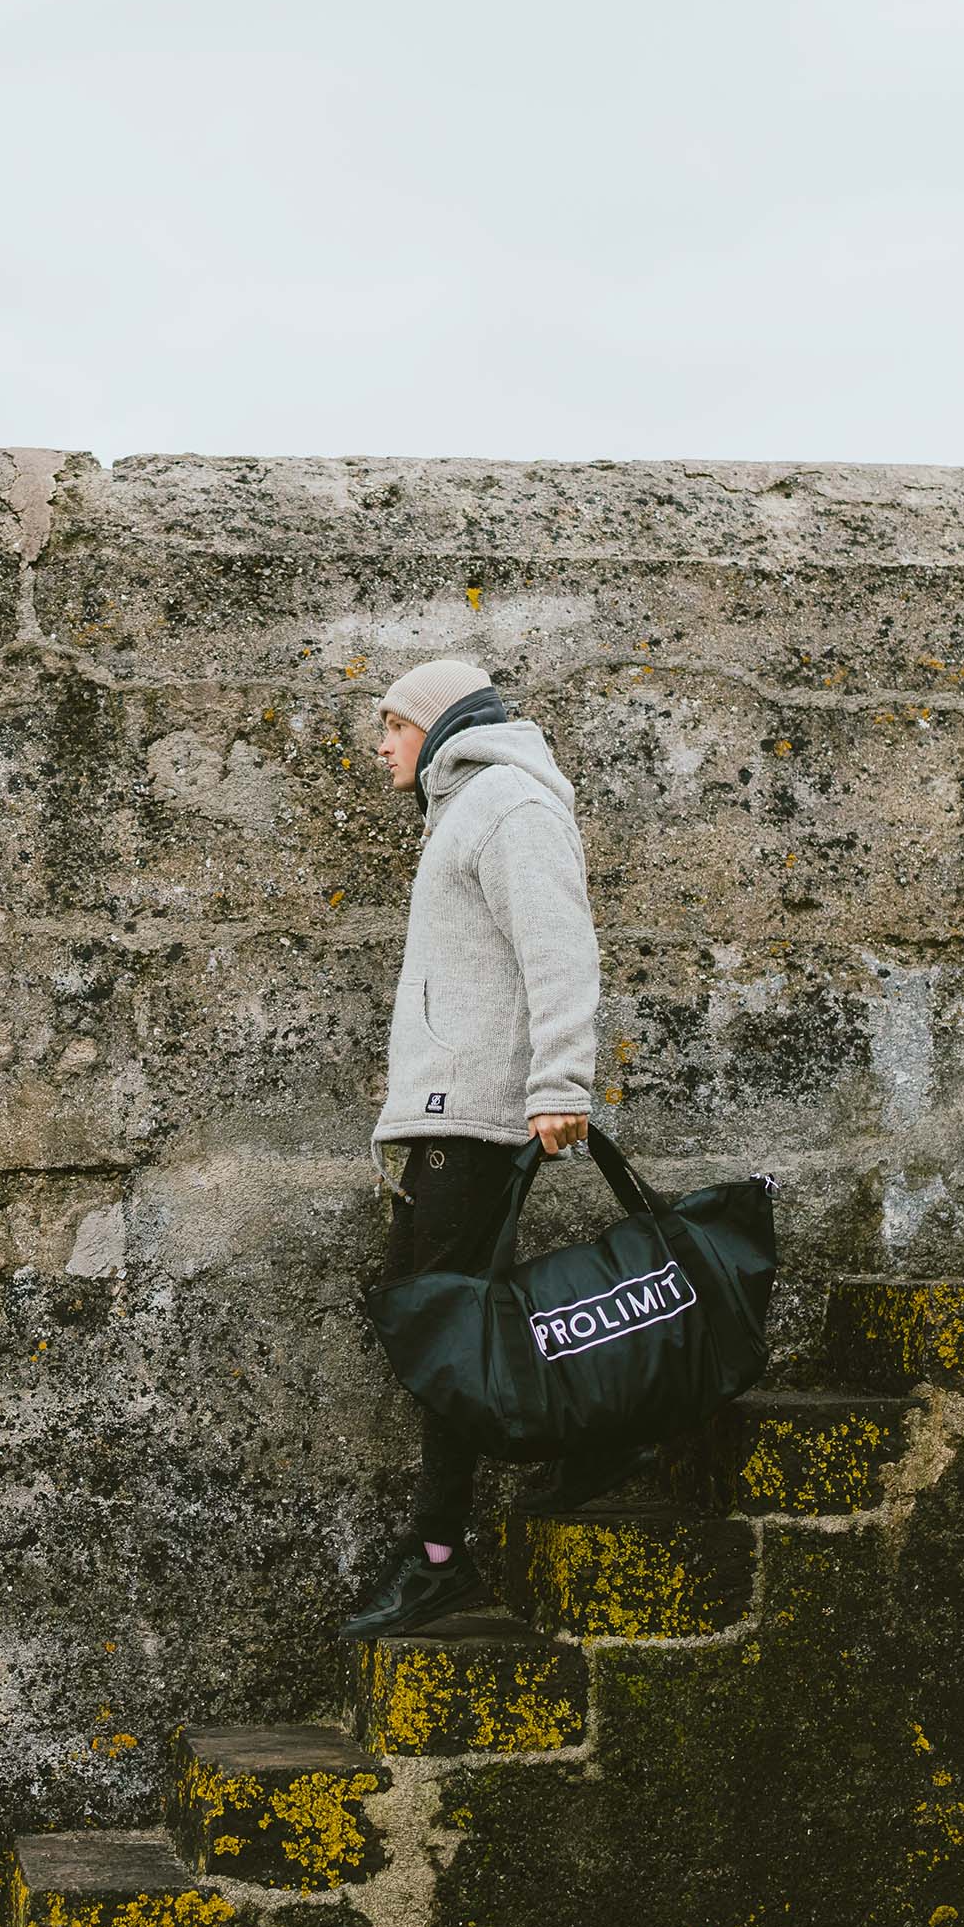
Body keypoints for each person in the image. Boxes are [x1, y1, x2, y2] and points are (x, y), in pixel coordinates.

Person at [340, 658, 601, 1642]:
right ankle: (593, 1436)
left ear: (439, 724)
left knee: (447, 1333)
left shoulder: (507, 804)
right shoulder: (465, 809)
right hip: (441, 1117)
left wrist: (559, 1085)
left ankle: (439, 1552)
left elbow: (559, 944)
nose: (380, 745)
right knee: (434, 1322)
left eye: (393, 726)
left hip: (480, 1117)